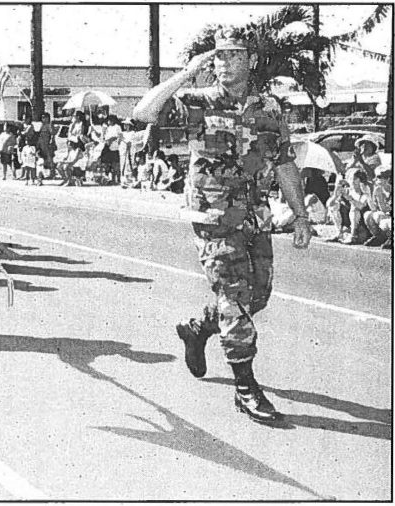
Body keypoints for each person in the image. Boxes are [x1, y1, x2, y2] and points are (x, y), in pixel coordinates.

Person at [133, 27, 312, 423]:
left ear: (249, 60)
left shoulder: (269, 109)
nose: (224, 62)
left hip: (254, 215)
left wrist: (300, 214)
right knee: (234, 295)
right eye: (218, 56)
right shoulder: (196, 101)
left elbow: (284, 163)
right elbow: (142, 112)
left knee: (257, 295)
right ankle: (245, 387)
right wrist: (186, 73)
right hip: (212, 217)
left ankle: (198, 329)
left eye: (233, 55)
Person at [364, 168, 392, 248]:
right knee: (368, 214)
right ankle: (378, 236)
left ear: (388, 179)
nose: (376, 179)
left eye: (379, 177)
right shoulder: (378, 190)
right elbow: (374, 209)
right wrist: (368, 194)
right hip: (386, 214)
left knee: (385, 220)